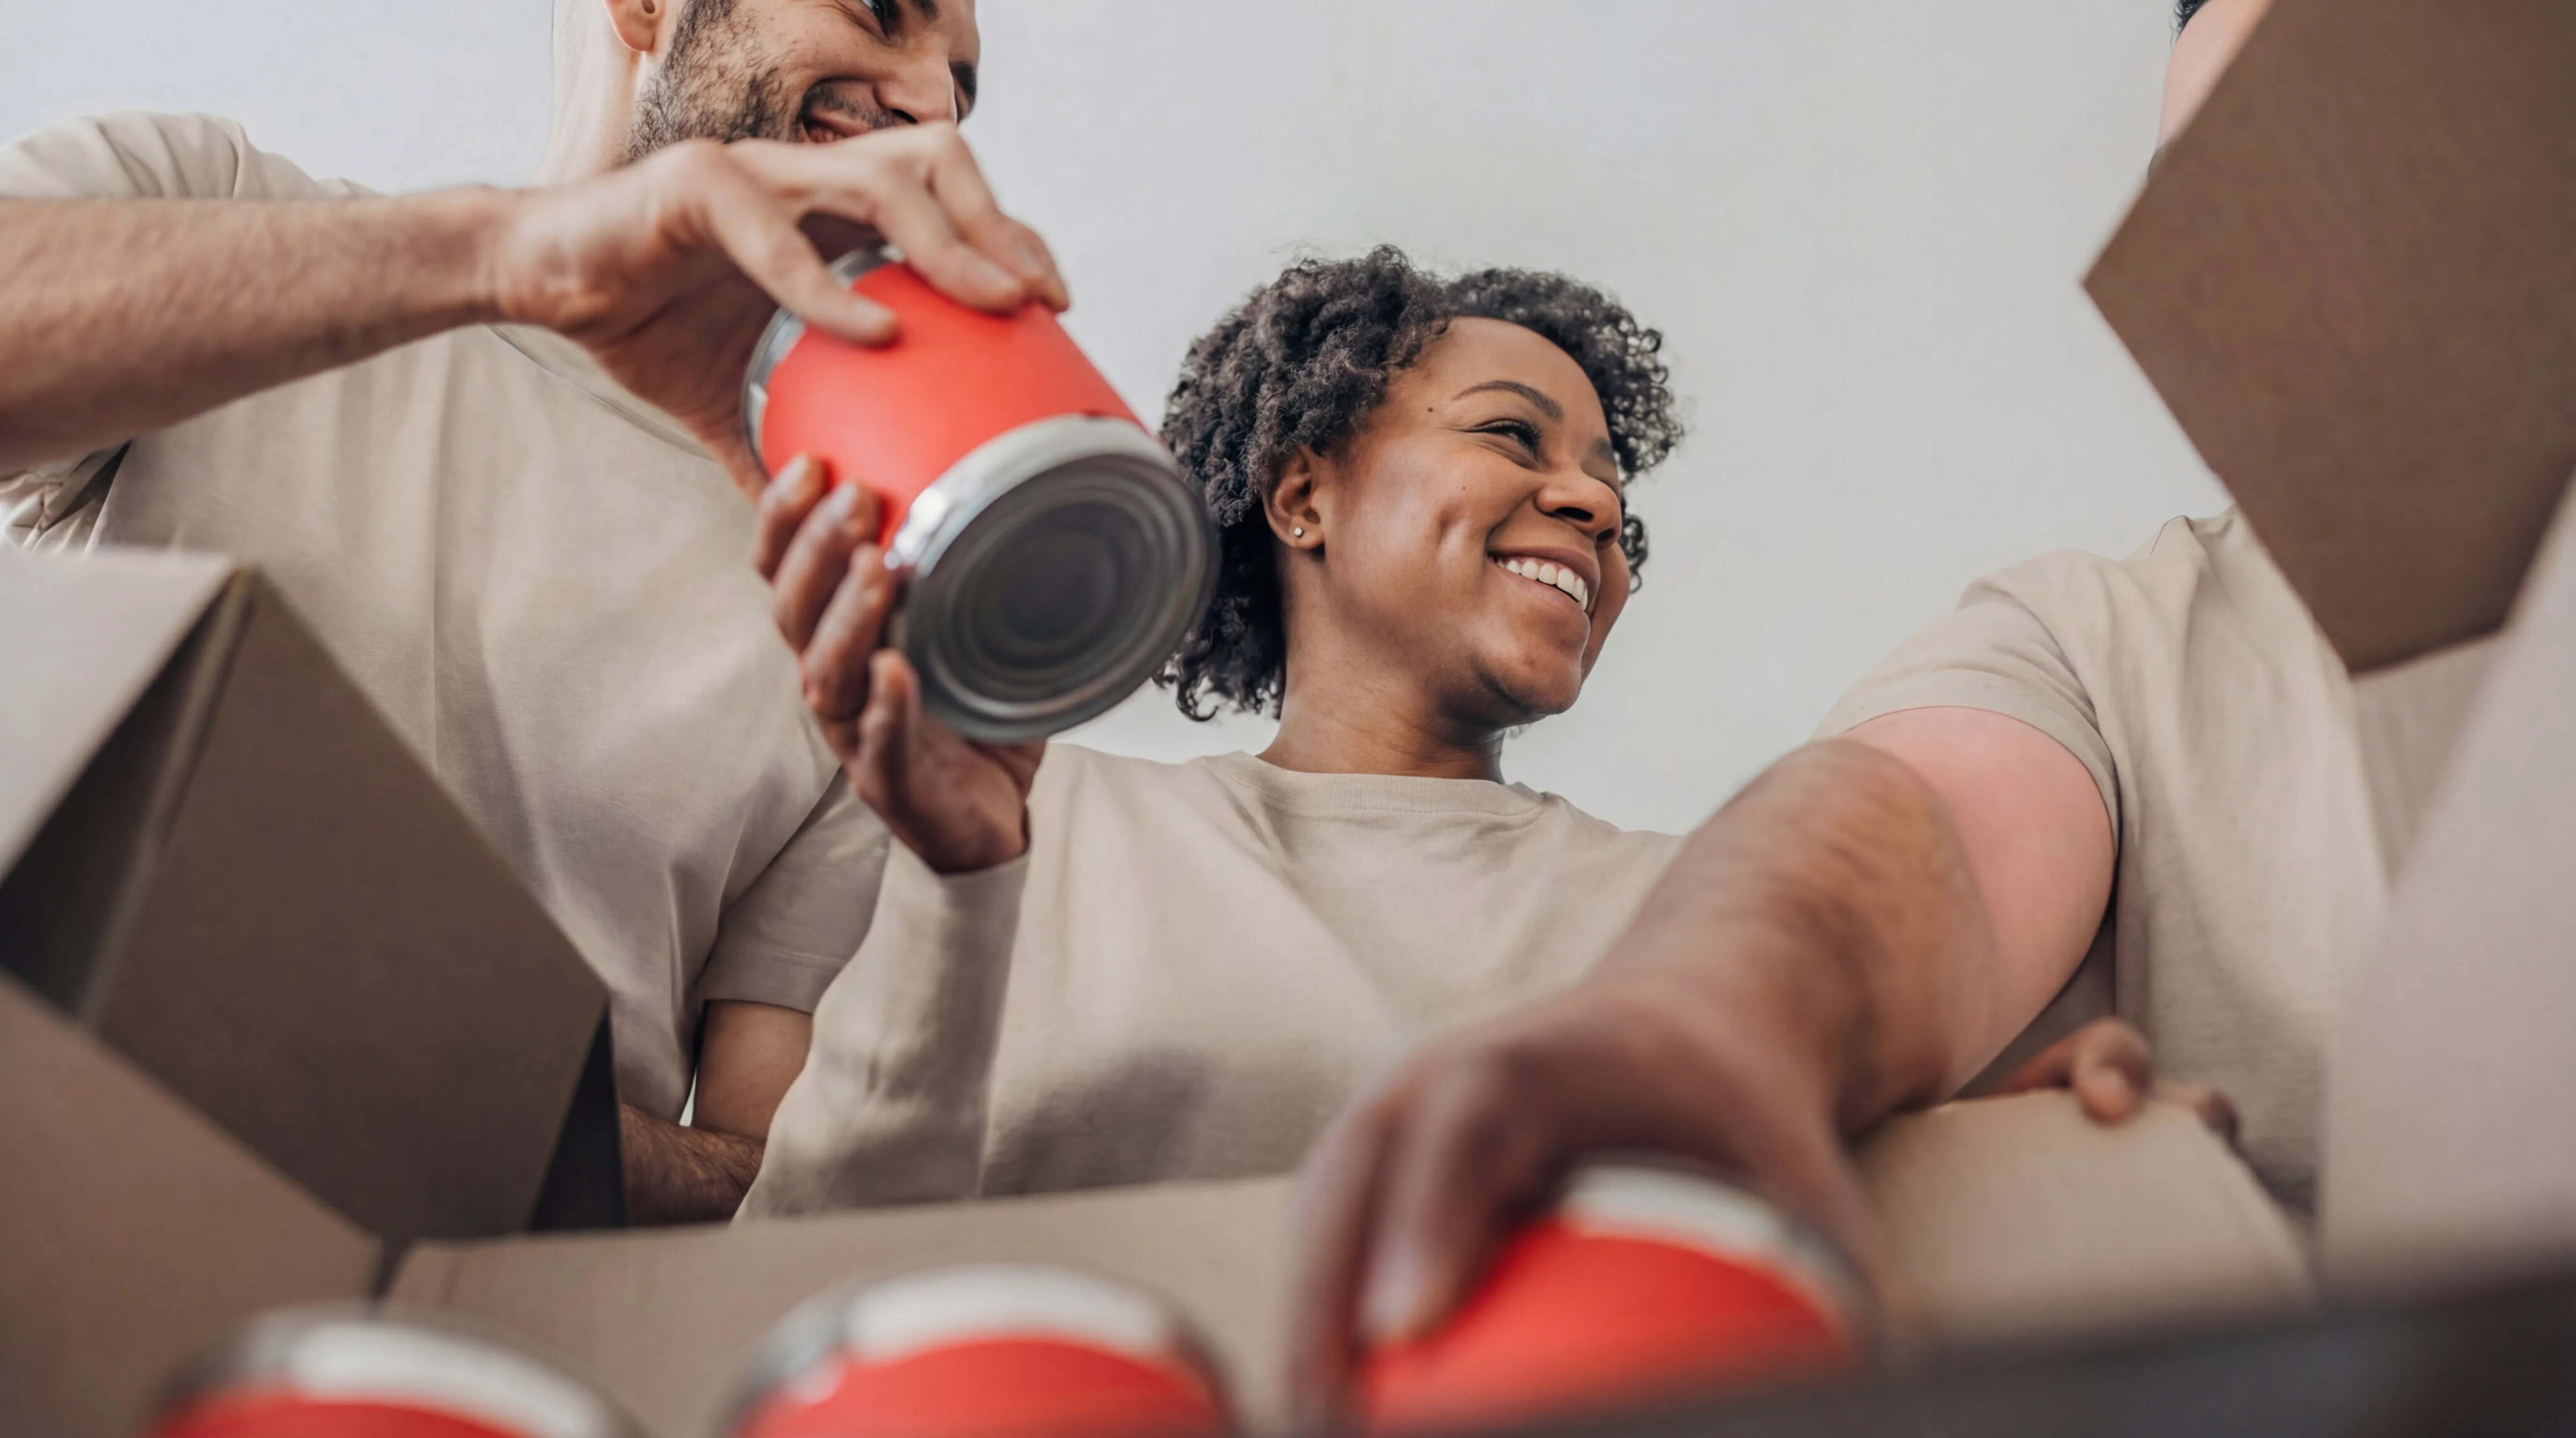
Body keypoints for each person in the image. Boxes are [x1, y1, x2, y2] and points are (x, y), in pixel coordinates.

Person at [1286, 0, 2401, 1412]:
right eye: (2212, 179)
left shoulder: (1630, 885)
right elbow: (1904, 826)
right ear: (1298, 489)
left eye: (2337, 114)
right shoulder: (2103, 649)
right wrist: (1720, 1020)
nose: (1588, 499)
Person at [0, 0, 1067, 1222]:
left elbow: (767, 1188)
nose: (935, 103)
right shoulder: (196, 203)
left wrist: (465, 1123)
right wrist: (512, 261)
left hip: (500, 1350)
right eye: (883, 14)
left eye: (963, 88)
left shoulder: (845, 601)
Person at [737, 248, 1686, 1217]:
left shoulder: (1689, 899)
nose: (1597, 506)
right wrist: (956, 892)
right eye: (1510, 434)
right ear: (1300, 499)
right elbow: (798, 1259)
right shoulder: (1037, 822)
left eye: (1609, 485)